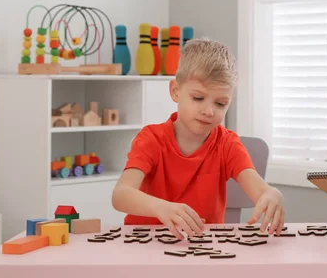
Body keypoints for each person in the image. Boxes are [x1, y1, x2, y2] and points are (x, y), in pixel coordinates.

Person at [112, 38, 285, 240]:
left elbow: (260, 190)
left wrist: (272, 194)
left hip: (203, 249)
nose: (208, 111)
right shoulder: (151, 139)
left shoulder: (227, 144)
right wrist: (159, 207)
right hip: (145, 247)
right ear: (175, 91)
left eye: (220, 103)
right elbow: (120, 195)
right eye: (198, 98)